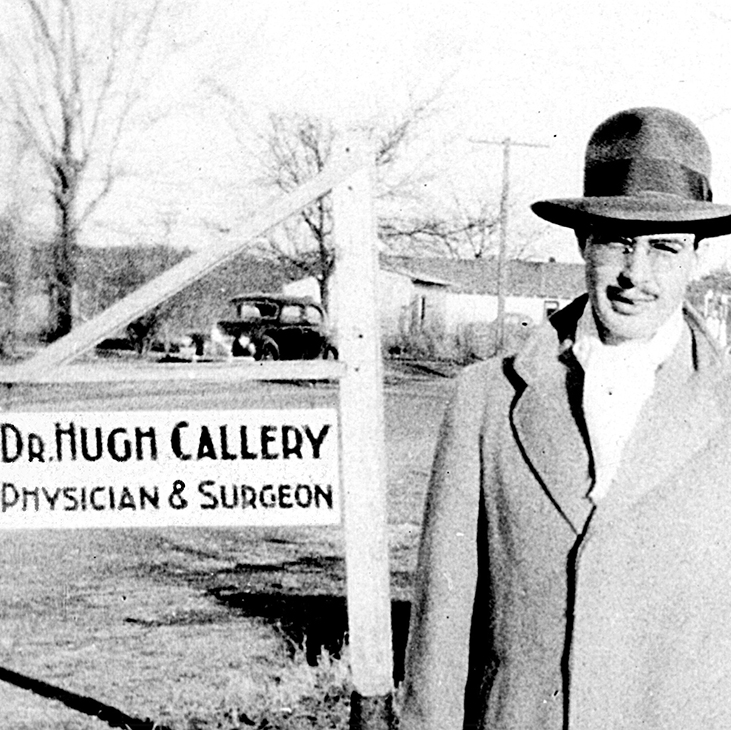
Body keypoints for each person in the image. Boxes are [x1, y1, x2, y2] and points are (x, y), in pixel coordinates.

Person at [400, 107, 731, 730]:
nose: (637, 275)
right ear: (582, 242)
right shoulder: (486, 402)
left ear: (696, 256)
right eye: (616, 241)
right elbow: (441, 633)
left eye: (665, 248)